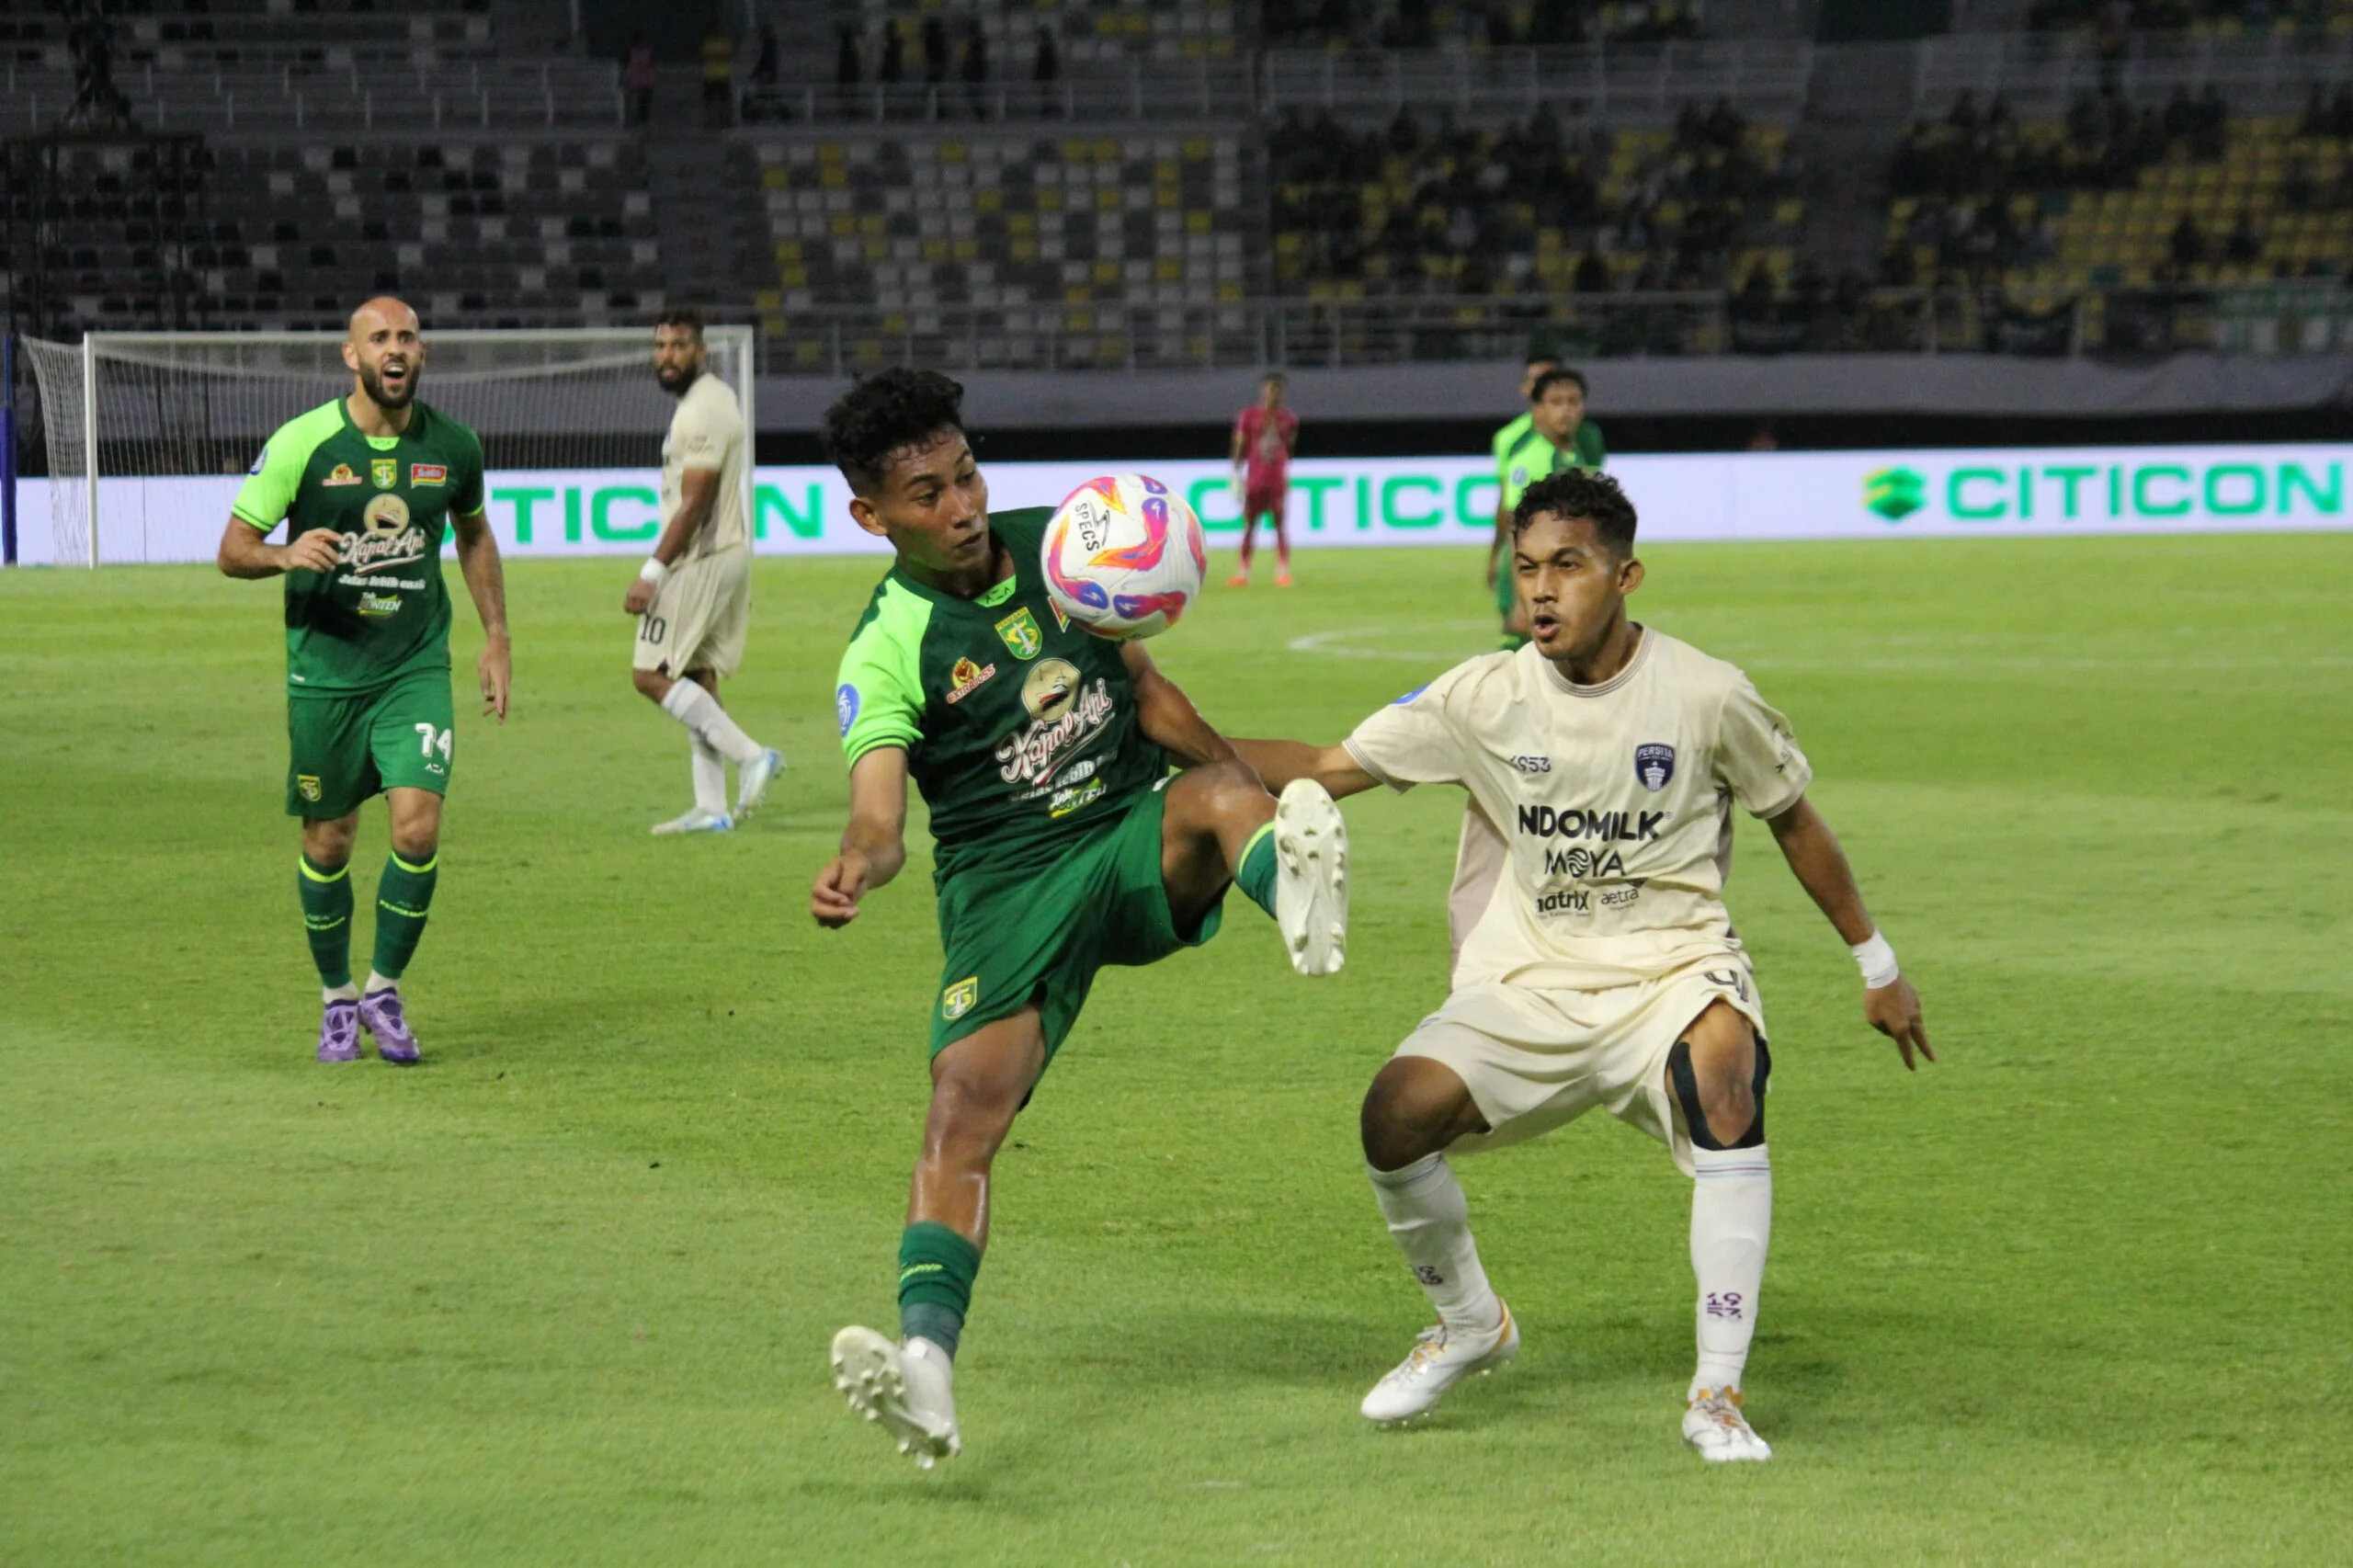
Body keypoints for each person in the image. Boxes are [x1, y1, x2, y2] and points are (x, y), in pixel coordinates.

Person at [1236, 469, 1932, 1463]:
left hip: (1672, 971)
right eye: (1526, 568)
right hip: (1528, 978)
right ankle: (1472, 1325)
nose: (1540, 591)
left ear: (1625, 575)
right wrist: (1155, 735)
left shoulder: (1705, 692)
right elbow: (1323, 760)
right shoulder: (1482, 695)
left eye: (1567, 565)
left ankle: (1717, 1391)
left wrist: (1877, 963)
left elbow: (1792, 817)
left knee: (1725, 1072)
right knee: (1393, 1115)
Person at [814, 369, 1351, 1469]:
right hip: (1006, 890)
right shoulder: (886, 643)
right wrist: (856, 865)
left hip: (1125, 828)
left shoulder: (1061, 545)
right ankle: (926, 1374)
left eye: (965, 474)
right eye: (926, 495)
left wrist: (1240, 775)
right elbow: (878, 815)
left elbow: (1144, 691)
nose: (961, 506)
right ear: (871, 515)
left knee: (1217, 795)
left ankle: (1293, 886)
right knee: (961, 1115)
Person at [215, 297, 511, 1065]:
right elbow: (232, 547)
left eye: (407, 337)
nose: (395, 348)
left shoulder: (453, 445)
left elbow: (475, 535)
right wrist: (283, 555)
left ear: (422, 353)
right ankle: (336, 999)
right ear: (351, 356)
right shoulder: (303, 443)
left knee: (417, 826)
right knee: (329, 841)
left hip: (413, 666)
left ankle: (383, 988)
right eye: (378, 337)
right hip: (326, 672)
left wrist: (497, 638)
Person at [622, 307, 783, 835]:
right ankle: (711, 807)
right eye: (661, 346)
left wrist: (653, 572)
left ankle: (752, 755)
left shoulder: (704, 410)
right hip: (721, 555)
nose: (667, 356)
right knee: (695, 675)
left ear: (701, 350)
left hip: (701, 558)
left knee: (651, 674)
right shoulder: (707, 401)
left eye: (679, 346)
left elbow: (695, 502)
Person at [1489, 364, 1604, 645]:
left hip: (1555, 571)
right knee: (1526, 654)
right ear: (1537, 409)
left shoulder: (1572, 452)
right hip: (1533, 575)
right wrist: (1521, 596)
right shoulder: (1532, 458)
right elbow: (1520, 525)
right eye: (1555, 403)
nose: (1566, 411)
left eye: (1573, 402)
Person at [1227, 371, 1299, 588]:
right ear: (1263, 390)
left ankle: (1283, 571)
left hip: (1276, 480)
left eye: (1277, 389)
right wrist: (1235, 474)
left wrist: (1285, 472)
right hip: (1255, 480)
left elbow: (1289, 448)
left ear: (1283, 393)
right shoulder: (1248, 416)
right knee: (1249, 526)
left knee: (1280, 525)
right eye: (1270, 388)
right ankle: (1242, 572)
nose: (1273, 393)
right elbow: (1240, 445)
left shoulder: (1290, 419)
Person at [624, 34, 655, 127]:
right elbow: (629, 66)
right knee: (635, 103)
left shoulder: (649, 52)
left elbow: (651, 66)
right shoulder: (631, 52)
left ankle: (643, 121)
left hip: (646, 81)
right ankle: (635, 120)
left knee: (645, 103)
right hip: (635, 82)